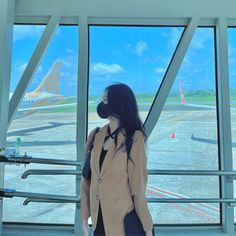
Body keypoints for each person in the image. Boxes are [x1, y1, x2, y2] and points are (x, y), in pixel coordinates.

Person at [80, 83, 154, 236]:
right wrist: (84, 219)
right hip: (98, 219)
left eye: (106, 100)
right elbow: (86, 179)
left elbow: (138, 189)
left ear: (119, 104)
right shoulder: (95, 135)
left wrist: (147, 229)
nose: (102, 105)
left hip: (121, 222)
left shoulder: (135, 138)